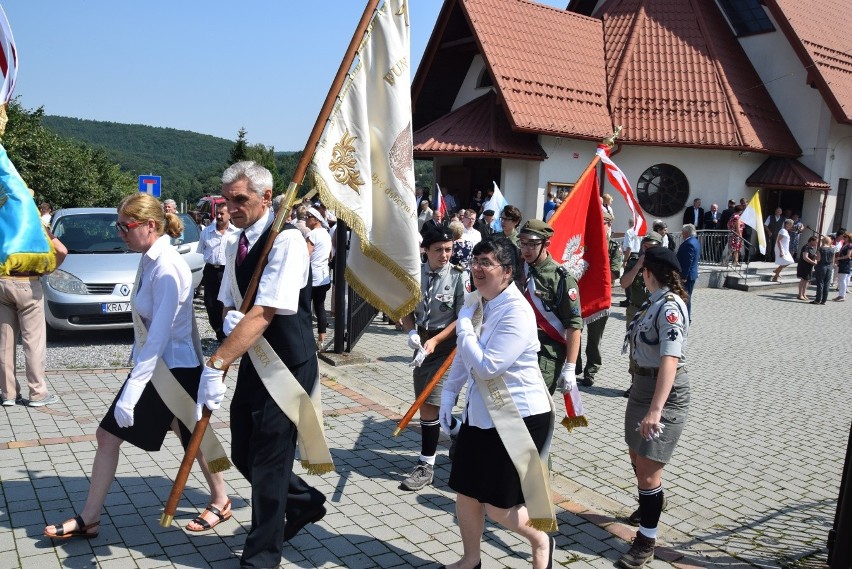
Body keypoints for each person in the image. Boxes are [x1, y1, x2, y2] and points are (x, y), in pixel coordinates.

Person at [43, 193, 231, 539]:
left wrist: (130, 393)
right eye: (119, 226)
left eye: (125, 226)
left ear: (149, 225)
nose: (120, 234)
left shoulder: (168, 267)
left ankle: (91, 517)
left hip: (171, 369)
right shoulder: (149, 257)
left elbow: (158, 336)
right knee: (190, 434)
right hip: (159, 366)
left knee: (131, 435)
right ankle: (93, 517)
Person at [207, 161, 329, 567]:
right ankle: (304, 501)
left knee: (270, 460)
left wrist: (217, 362)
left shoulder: (287, 241)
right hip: (256, 362)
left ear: (265, 197)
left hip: (287, 366)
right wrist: (225, 317)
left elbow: (265, 313)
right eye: (227, 200)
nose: (232, 207)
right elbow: (228, 297)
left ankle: (261, 557)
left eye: (240, 199)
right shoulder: (234, 242)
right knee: (242, 450)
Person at [438, 237, 556, 569]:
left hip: (518, 416)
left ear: (506, 271)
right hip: (481, 416)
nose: (476, 268)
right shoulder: (479, 301)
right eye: (475, 261)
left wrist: (462, 327)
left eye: (485, 262)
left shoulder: (517, 311)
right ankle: (471, 559)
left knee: (499, 507)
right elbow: (466, 356)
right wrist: (449, 395)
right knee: (466, 493)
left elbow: (488, 365)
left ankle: (541, 540)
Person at [619, 246, 690, 569]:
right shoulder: (654, 301)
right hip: (642, 387)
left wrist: (656, 410)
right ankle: (651, 501)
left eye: (641, 270)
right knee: (636, 454)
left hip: (665, 392)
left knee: (649, 470)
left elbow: (670, 360)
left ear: (649, 272)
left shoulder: (670, 308)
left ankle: (646, 541)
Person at [399, 225, 465, 491]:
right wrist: (411, 330)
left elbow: (463, 318)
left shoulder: (459, 276)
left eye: (448, 249)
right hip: (422, 345)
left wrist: (436, 341)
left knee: (429, 404)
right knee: (435, 408)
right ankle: (463, 434)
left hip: (448, 346)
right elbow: (404, 308)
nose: (445, 255)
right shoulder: (414, 274)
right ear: (425, 250)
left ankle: (426, 466)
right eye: (439, 250)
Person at [1, 227, 67, 407]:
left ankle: (8, 394)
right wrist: (48, 269)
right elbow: (61, 250)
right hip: (28, 283)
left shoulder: (2, 217)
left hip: (2, 282)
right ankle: (37, 393)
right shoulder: (33, 222)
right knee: (33, 341)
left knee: (5, 341)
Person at [517, 220, 582, 394]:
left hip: (545, 352)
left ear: (546, 244)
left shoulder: (560, 278)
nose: (525, 249)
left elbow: (574, 324)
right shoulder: (518, 268)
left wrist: (570, 367)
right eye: (522, 243)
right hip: (517, 346)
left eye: (532, 244)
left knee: (537, 406)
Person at [578, 212, 623, 386]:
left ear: (609, 225)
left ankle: (591, 371)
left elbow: (612, 274)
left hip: (600, 300)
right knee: (575, 335)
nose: (599, 226)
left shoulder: (612, 248)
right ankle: (574, 367)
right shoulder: (584, 243)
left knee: (594, 340)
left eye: (603, 223)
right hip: (580, 297)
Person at [619, 232, 663, 398]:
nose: (648, 250)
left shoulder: (664, 263)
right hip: (635, 311)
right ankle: (635, 383)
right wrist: (637, 266)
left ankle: (654, 385)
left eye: (653, 247)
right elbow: (624, 283)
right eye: (646, 246)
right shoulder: (635, 262)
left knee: (653, 348)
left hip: (655, 311)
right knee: (634, 348)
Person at [197, 203, 239, 341]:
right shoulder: (206, 232)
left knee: (226, 302)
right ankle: (218, 331)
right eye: (218, 213)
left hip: (227, 270)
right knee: (210, 303)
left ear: (229, 215)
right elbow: (201, 250)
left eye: (222, 213)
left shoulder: (235, 232)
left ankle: (227, 334)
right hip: (210, 270)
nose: (219, 216)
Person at [306, 206, 332, 348]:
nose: (305, 219)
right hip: (323, 275)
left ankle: (306, 335)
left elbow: (306, 254)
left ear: (315, 219)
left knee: (305, 307)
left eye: (308, 217)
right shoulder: (326, 233)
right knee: (320, 306)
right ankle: (321, 338)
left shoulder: (314, 234)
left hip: (313, 275)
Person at [676, 224, 700, 320]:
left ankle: (686, 318)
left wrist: (683, 277)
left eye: (682, 231)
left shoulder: (689, 243)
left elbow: (687, 261)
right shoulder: (695, 241)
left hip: (687, 276)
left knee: (685, 297)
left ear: (686, 232)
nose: (681, 233)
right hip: (691, 275)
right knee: (686, 296)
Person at [620, 218, 642, 307]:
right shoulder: (640, 232)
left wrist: (625, 260)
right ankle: (633, 298)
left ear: (629, 223)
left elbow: (629, 247)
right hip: (639, 255)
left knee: (627, 277)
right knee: (636, 278)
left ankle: (629, 299)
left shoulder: (629, 231)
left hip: (631, 256)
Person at [812, 235, 835, 305]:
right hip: (829, 267)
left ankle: (817, 300)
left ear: (823, 241)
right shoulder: (832, 249)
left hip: (821, 266)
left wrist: (814, 256)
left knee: (820, 283)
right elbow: (833, 261)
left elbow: (818, 259)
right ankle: (824, 300)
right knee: (827, 283)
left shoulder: (821, 249)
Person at [796, 236, 818, 300]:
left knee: (807, 280)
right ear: (811, 241)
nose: (816, 243)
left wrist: (815, 261)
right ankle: (800, 294)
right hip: (804, 265)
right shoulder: (806, 247)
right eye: (815, 242)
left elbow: (815, 257)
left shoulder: (813, 248)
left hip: (809, 266)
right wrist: (813, 262)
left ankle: (804, 293)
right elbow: (805, 257)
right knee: (803, 279)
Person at [833, 232, 852, 301]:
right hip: (842, 263)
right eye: (843, 237)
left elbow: (848, 255)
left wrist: (838, 258)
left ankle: (842, 296)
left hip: (846, 263)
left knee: (843, 280)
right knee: (841, 279)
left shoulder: (850, 245)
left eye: (845, 237)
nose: (843, 238)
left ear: (849, 238)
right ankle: (840, 295)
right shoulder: (845, 244)